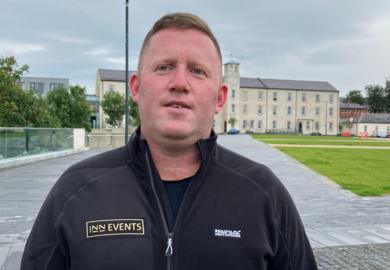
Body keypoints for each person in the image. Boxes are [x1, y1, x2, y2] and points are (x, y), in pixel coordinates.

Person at [21, 12, 317, 270]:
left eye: (197, 71)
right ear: (136, 88)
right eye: (164, 67)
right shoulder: (77, 189)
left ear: (220, 98)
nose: (179, 82)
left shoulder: (263, 195)